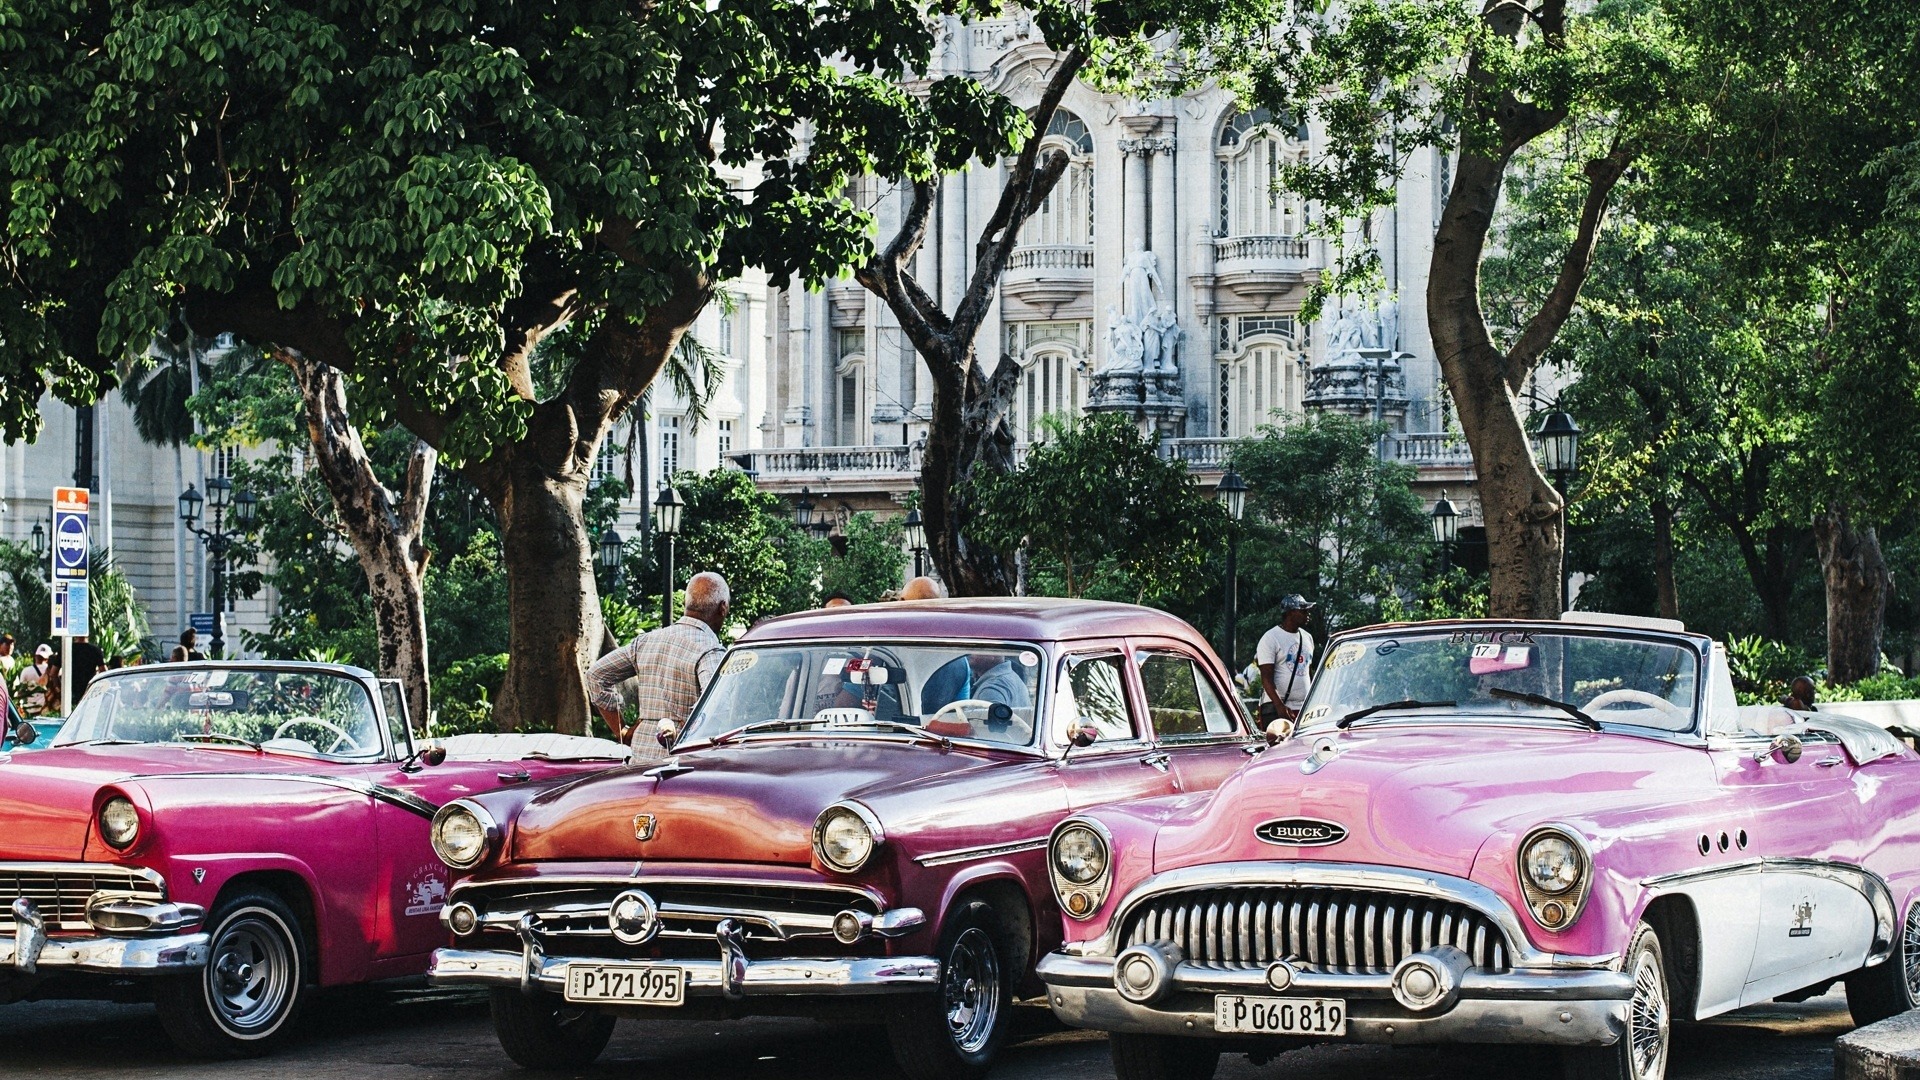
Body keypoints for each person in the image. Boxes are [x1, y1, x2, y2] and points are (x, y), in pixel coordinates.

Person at [588, 571, 731, 764]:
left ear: (685, 605)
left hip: (639, 763)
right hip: (683, 767)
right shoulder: (710, 650)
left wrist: (621, 730)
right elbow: (717, 707)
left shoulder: (647, 641)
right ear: (723, 608)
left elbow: (596, 676)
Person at [1257, 594, 1318, 732]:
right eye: (1303, 611)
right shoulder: (1271, 638)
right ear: (1291, 613)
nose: (1307, 614)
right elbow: (1266, 678)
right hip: (1278, 708)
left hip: (1304, 709)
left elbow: (1308, 671)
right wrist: (1280, 707)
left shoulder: (1307, 637)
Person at [69, 634, 106, 702]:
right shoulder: (95, 650)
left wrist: (58, 689)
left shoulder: (67, 649)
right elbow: (103, 671)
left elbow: (53, 673)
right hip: (89, 689)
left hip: (69, 690)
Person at [19, 645, 54, 717]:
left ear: (35, 656)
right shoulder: (54, 672)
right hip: (47, 711)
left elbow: (21, 692)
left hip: (29, 710)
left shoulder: (25, 671)